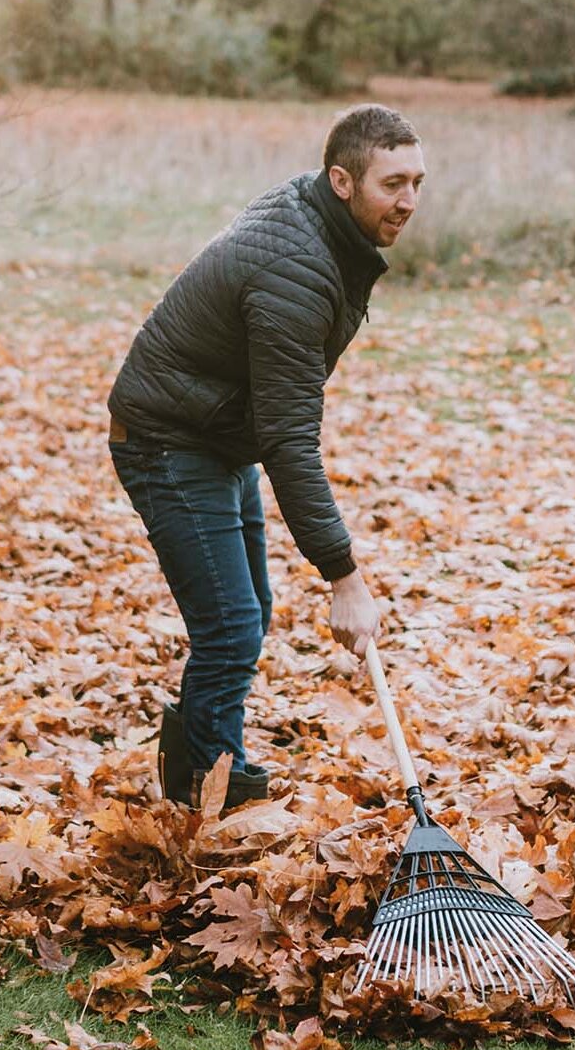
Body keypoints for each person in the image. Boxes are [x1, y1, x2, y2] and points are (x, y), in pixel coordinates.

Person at [106, 104, 422, 809]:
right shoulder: (297, 272)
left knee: (245, 612)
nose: (407, 202)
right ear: (341, 180)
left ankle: (203, 770)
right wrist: (344, 577)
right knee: (230, 626)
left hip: (211, 431)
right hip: (168, 441)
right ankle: (209, 793)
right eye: (391, 183)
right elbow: (288, 442)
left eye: (416, 183)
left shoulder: (316, 223)